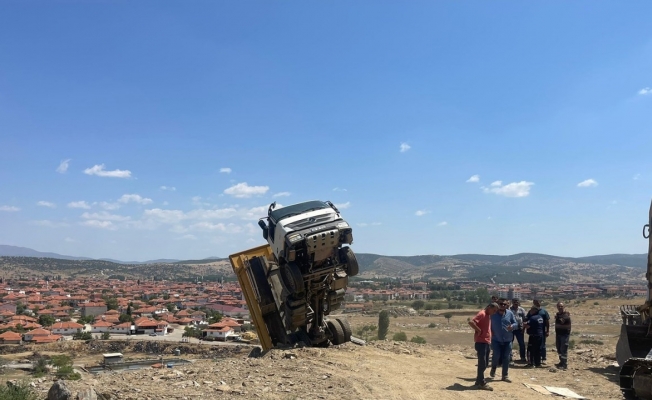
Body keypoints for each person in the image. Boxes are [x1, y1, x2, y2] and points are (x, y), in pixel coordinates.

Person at [468, 303, 499, 391]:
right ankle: (482, 382)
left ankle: (478, 380)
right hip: (481, 342)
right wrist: (479, 331)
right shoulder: (482, 313)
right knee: (482, 363)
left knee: (484, 364)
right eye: (494, 310)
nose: (494, 312)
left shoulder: (488, 315)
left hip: (486, 342)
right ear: (489, 307)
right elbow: (471, 322)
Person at [490, 298, 518, 382]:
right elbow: (487, 323)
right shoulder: (493, 313)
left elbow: (516, 323)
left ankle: (504, 375)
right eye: (501, 304)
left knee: (506, 357)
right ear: (498, 304)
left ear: (507, 305)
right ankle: (493, 368)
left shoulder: (510, 313)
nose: (502, 305)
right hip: (496, 339)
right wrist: (490, 331)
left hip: (507, 339)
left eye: (504, 304)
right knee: (496, 356)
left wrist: (512, 326)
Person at [532, 299, 550, 364]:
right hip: (534, 332)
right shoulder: (532, 311)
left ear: (540, 302)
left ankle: (543, 358)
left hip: (542, 331)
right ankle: (535, 358)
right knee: (534, 345)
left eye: (537, 302)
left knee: (543, 345)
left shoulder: (544, 311)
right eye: (535, 303)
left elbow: (547, 321)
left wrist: (547, 331)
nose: (536, 304)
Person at [555, 302, 571, 370]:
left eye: (561, 306)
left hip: (564, 335)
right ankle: (561, 362)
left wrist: (557, 317)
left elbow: (562, 321)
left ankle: (564, 364)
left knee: (563, 349)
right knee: (559, 349)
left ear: (564, 307)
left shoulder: (565, 315)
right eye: (559, 306)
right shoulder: (558, 314)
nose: (560, 307)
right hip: (558, 334)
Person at [510, 298, 527, 363]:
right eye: (514, 302)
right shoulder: (509, 310)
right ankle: (509, 357)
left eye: (517, 302)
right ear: (512, 302)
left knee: (521, 344)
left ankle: (522, 357)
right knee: (510, 343)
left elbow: (524, 320)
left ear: (518, 302)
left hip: (519, 329)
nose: (515, 303)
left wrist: (523, 329)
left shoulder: (522, 309)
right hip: (511, 329)